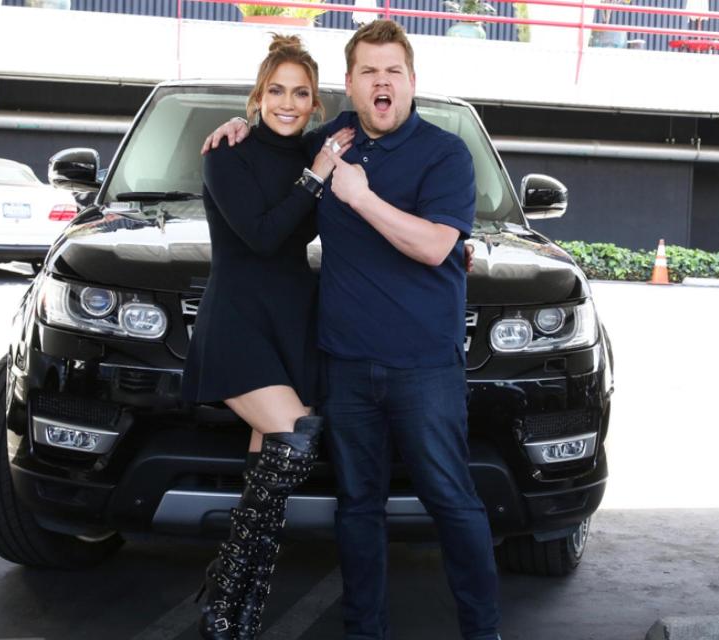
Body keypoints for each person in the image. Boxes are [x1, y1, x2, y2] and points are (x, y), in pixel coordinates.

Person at [203, 20, 501, 640]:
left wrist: (361, 198)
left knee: (453, 501)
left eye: (393, 70)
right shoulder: (329, 145)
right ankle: (364, 631)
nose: (381, 81)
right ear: (350, 86)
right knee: (358, 507)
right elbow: (271, 148)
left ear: (412, 82)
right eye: (369, 72)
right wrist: (238, 126)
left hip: (423, 367)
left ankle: (483, 630)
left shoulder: (446, 154)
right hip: (341, 363)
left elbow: (436, 245)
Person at [182, 35, 353, 640]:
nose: (288, 102)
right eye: (276, 90)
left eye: (301, 93)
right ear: (258, 96)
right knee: (295, 439)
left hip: (292, 320)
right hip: (238, 317)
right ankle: (225, 585)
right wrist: (315, 178)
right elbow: (260, 237)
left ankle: (239, 608)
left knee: (270, 473)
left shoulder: (317, 147)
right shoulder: (227, 153)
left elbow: (371, 116)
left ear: (315, 104)